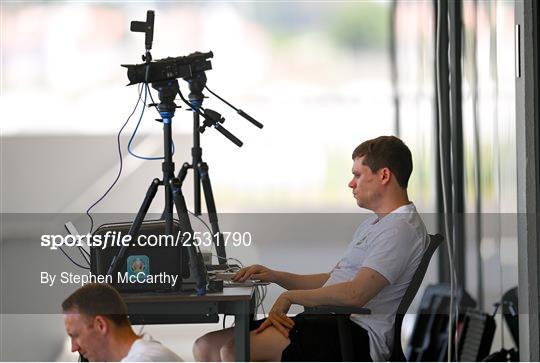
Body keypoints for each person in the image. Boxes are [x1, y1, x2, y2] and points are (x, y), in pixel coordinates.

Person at [192, 135, 428, 362]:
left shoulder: (400, 229)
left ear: (384, 175)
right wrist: (275, 276)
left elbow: (356, 294)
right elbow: (333, 281)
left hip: (354, 333)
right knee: (206, 347)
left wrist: (290, 297)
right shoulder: (376, 223)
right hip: (329, 322)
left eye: (357, 174)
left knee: (234, 352)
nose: (351, 183)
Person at [62, 283, 183, 362]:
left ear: (100, 325)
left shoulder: (143, 359)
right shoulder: (148, 354)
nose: (74, 347)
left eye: (75, 335)